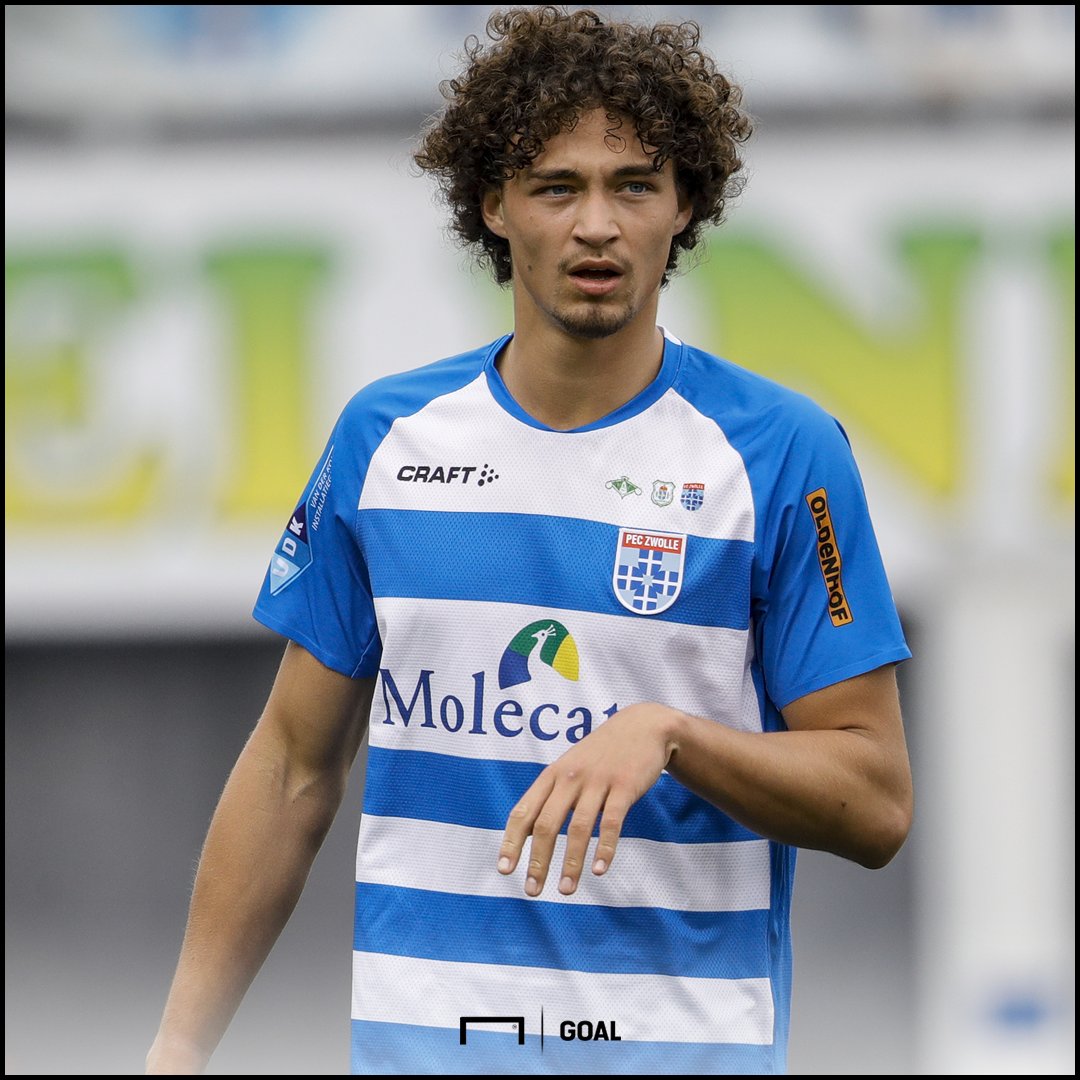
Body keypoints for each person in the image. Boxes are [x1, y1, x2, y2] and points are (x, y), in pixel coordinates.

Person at [146, 6, 914, 1075]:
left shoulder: (782, 452)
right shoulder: (386, 438)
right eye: (557, 187)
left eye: (633, 186)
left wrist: (672, 736)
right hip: (431, 1055)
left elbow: (875, 801)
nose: (597, 224)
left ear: (685, 204)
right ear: (493, 204)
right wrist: (176, 1050)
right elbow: (290, 769)